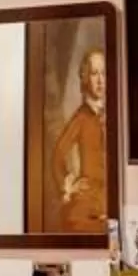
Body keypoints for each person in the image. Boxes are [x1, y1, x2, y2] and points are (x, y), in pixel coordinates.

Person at [52, 45, 110, 234]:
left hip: (112, 197)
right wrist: (68, 186)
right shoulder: (81, 118)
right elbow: (57, 155)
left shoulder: (115, 114)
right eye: (94, 74)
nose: (100, 80)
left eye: (103, 73)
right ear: (85, 79)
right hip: (90, 199)